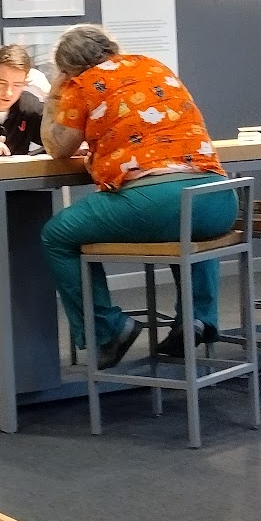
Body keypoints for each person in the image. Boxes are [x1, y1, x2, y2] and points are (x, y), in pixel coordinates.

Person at [38, 25, 237, 368]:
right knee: (191, 228)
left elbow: (59, 148)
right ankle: (196, 319)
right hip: (218, 199)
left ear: (67, 69)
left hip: (155, 202)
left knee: (56, 235)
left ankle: (109, 330)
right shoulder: (153, 66)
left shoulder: (81, 84)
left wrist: (54, 97)